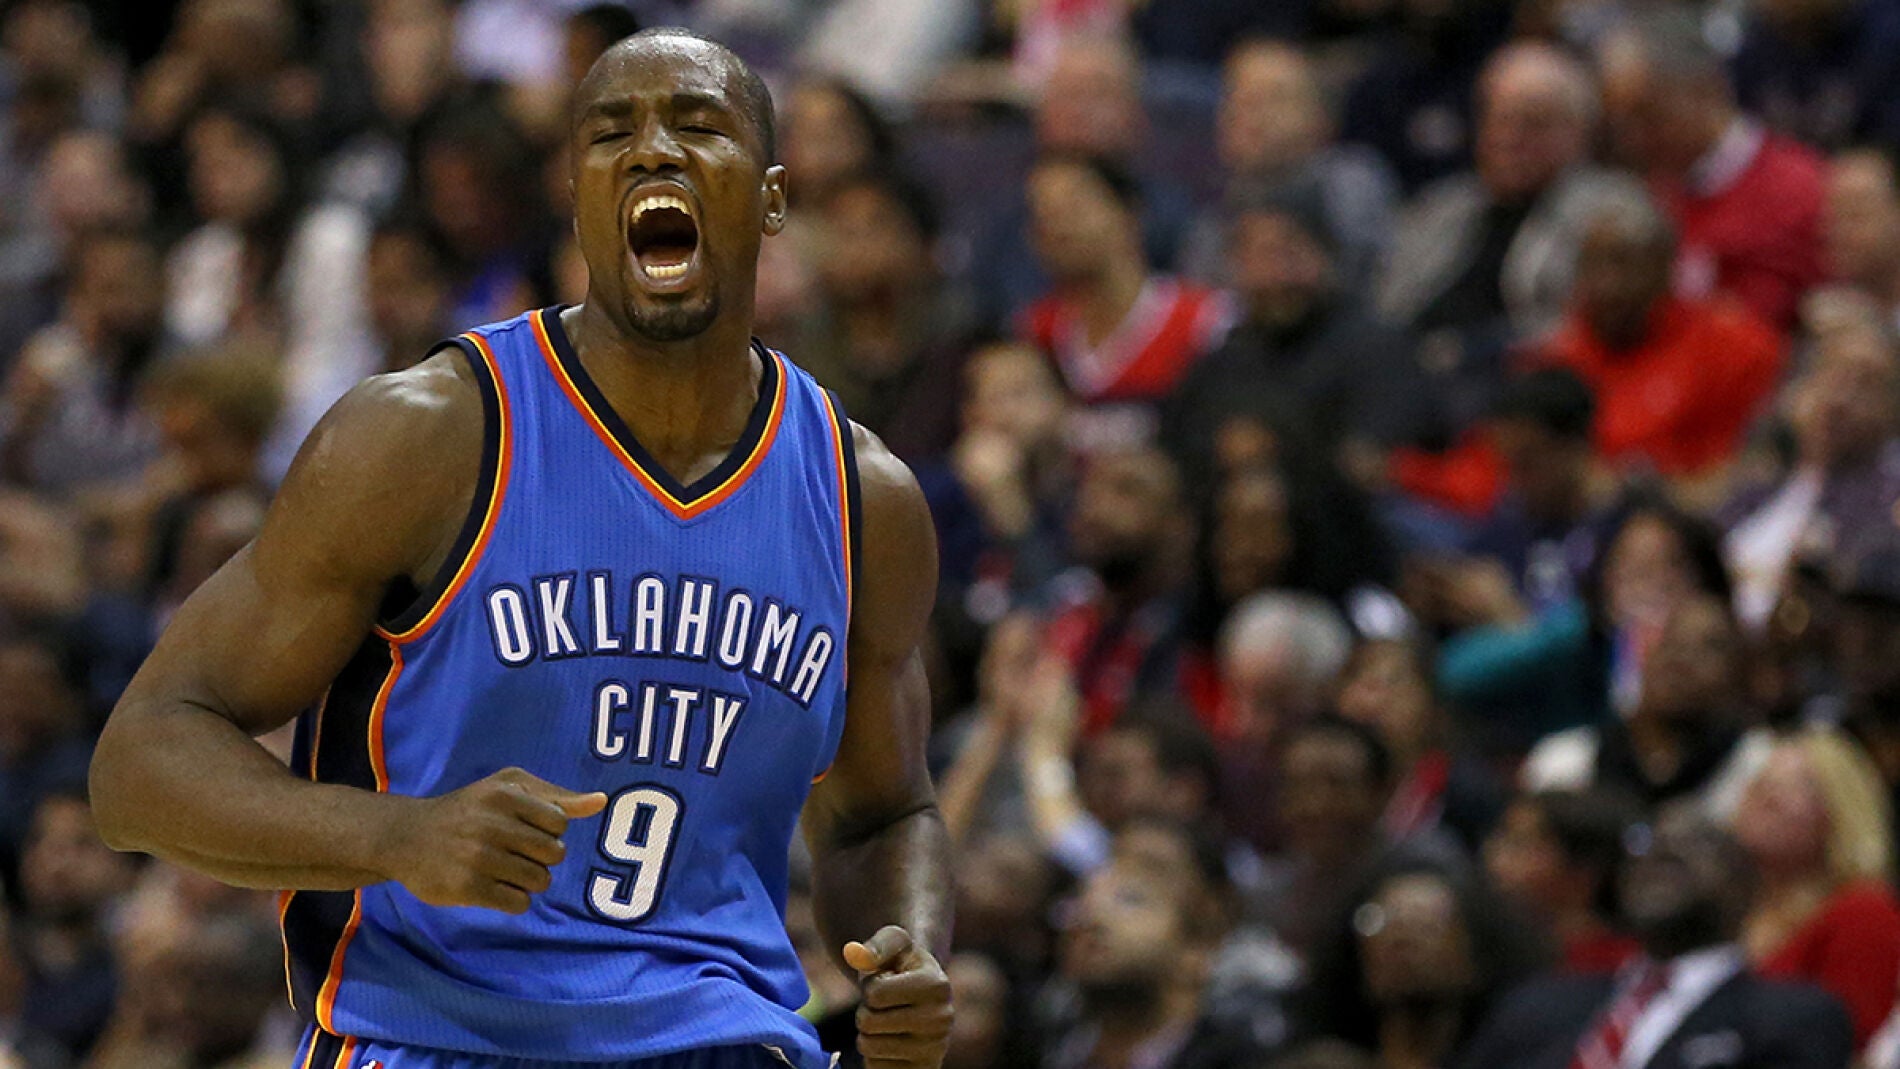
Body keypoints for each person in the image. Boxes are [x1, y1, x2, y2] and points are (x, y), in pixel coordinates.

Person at [88, 29, 953, 1069]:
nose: (652, 152)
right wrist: (397, 837)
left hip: (724, 1042)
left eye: (697, 125)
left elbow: (882, 813)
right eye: (610, 132)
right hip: (442, 1039)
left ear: (770, 200)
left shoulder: (862, 499)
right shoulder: (428, 436)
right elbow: (138, 764)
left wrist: (908, 951)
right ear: (575, 193)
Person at [1456, 808, 1853, 1069]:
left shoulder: (1794, 1017)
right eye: (1649, 844)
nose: (1663, 853)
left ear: (1745, 890)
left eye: (1698, 845)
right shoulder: (1536, 1003)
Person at [1535, 197, 1785, 500]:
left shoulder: (1735, 347)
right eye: (1591, 266)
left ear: (1665, 269)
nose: (1606, 286)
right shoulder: (1555, 359)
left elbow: (1745, 472)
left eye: (1624, 265)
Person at [1599, 7, 1827, 333]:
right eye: (1621, 123)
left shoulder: (1800, 189)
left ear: (1706, 89)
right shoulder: (1648, 196)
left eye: (1648, 115)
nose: (1634, 140)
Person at [1731, 727, 1900, 1052]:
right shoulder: (1724, 908)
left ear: (1843, 811)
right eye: (1762, 780)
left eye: (1798, 785)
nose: (1768, 796)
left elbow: (1855, 1043)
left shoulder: (1865, 913)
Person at [1483, 788, 1642, 975]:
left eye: (1519, 844)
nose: (1495, 859)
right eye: (1501, 840)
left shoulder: (1622, 968)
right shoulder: (1497, 952)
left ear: (1583, 872)